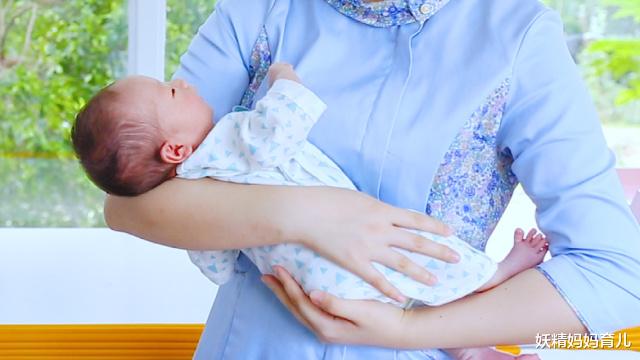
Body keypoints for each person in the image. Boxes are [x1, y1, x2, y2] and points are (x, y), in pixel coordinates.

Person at [104, 0, 640, 359]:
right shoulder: (260, 10)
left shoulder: (516, 33)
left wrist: (409, 330)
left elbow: (615, 280)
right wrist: (311, 215)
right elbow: (130, 204)